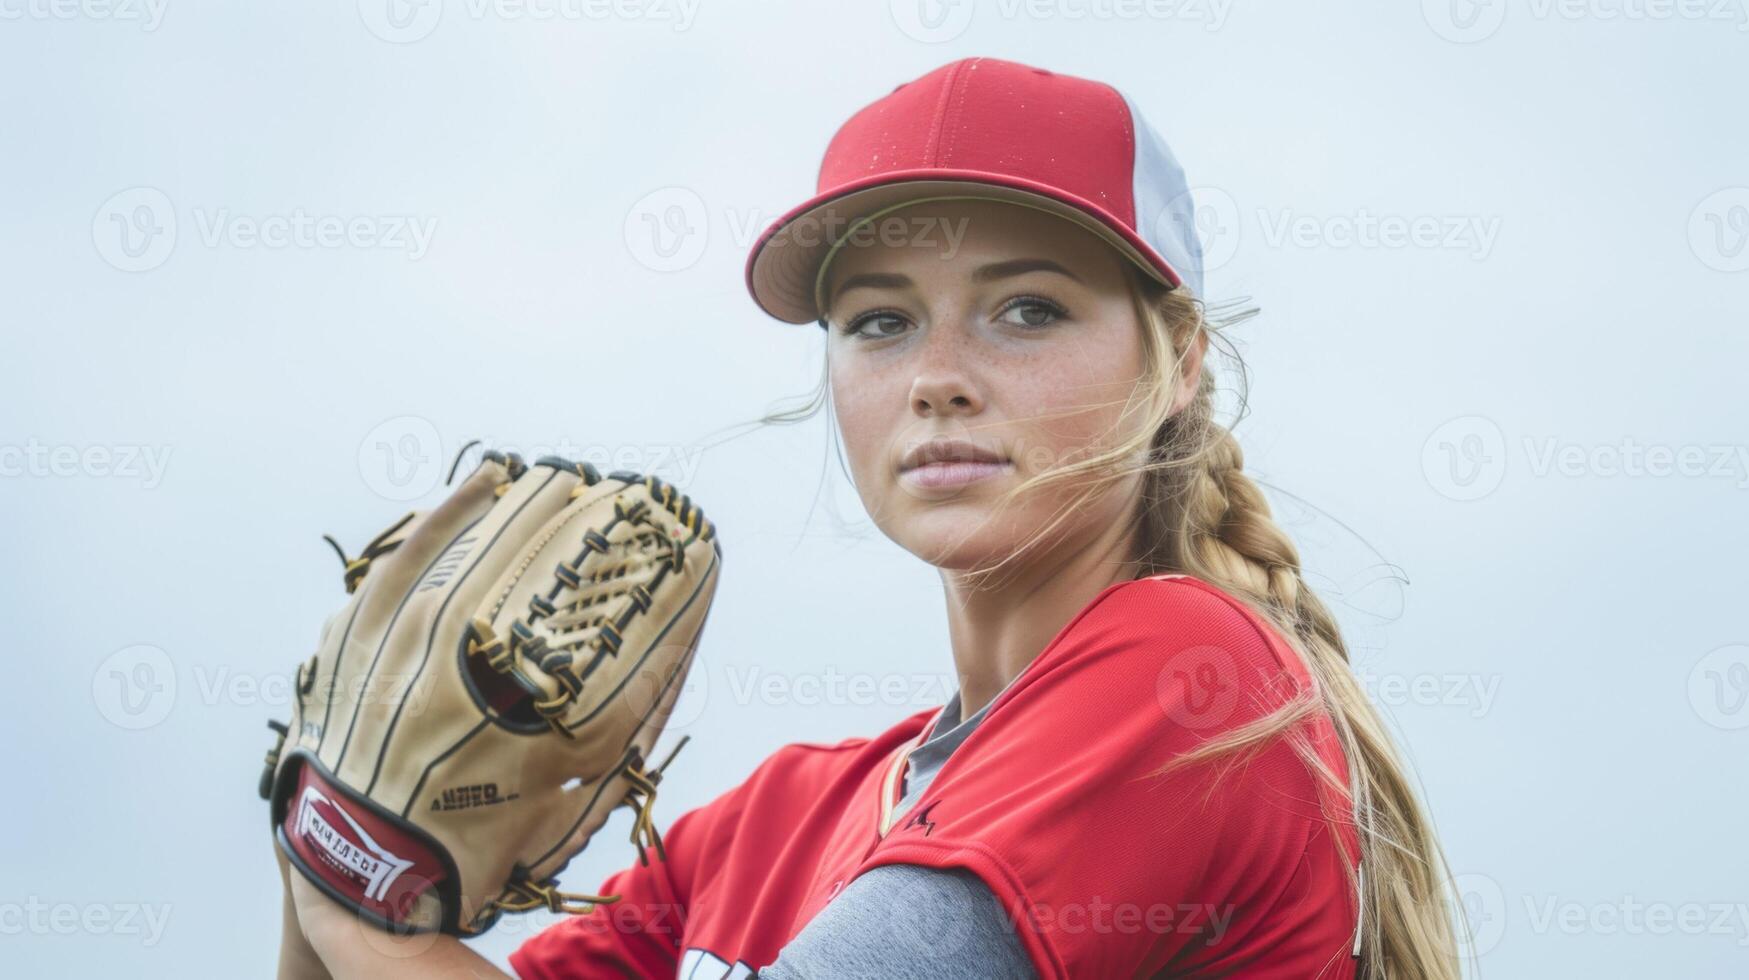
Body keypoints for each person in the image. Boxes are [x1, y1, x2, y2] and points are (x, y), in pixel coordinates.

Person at [277, 56, 1461, 979]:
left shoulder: (1193, 685)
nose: (938, 374)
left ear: (1181, 363)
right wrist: (344, 843)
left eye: (1028, 309)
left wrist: (355, 913)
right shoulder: (773, 823)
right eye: (882, 322)